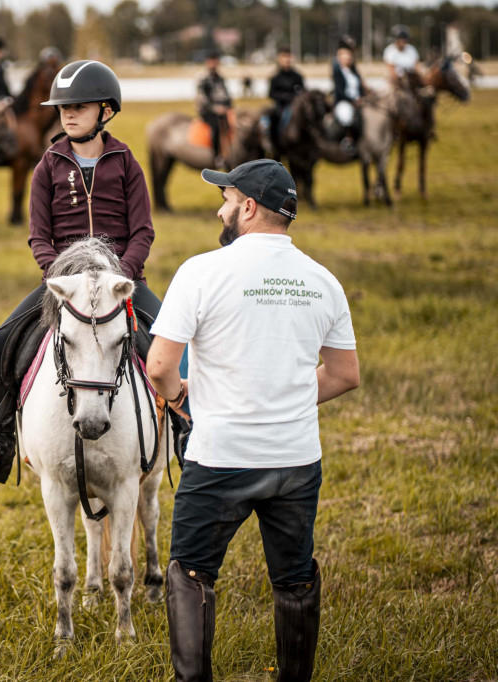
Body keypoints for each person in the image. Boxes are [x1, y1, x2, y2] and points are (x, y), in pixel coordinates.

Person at [146, 159, 360, 682]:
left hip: (221, 457)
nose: (220, 208)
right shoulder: (323, 280)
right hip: (296, 461)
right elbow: (345, 375)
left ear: (247, 207)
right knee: (294, 580)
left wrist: (180, 399)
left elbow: (158, 366)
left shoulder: (201, 271)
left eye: (226, 198)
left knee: (192, 573)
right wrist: (279, 398)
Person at [0, 60, 159, 484]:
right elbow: (39, 238)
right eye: (62, 106)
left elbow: (142, 231)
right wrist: (59, 277)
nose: (67, 114)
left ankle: (188, 437)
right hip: (63, 284)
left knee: (173, 345)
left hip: (122, 281)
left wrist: (122, 276)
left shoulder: (126, 162)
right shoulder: (47, 165)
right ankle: (1, 445)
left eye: (78, 106)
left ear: (105, 110)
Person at [263, 46, 305, 154]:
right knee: (270, 118)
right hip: (280, 107)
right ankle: (274, 143)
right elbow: (271, 94)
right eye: (284, 57)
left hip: (295, 106)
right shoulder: (275, 77)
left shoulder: (297, 76)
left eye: (288, 56)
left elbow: (303, 92)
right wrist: (285, 97)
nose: (287, 59)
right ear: (279, 59)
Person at [196, 50, 233, 170]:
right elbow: (202, 98)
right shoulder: (203, 78)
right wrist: (215, 108)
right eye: (211, 61)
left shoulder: (220, 78)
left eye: (215, 61)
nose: (213, 63)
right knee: (216, 126)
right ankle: (217, 156)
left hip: (223, 110)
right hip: (208, 111)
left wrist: (228, 106)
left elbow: (226, 95)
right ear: (207, 62)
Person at [332, 37, 365, 155]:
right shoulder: (337, 71)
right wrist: (353, 100)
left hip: (359, 101)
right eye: (345, 55)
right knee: (347, 116)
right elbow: (339, 90)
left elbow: (360, 87)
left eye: (349, 55)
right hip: (344, 101)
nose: (348, 57)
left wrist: (362, 97)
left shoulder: (353, 71)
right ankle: (347, 141)